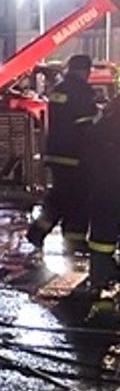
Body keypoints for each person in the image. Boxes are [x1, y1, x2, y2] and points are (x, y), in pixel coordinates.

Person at [29, 54, 101, 249]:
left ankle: (39, 231)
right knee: (77, 198)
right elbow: (86, 124)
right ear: (86, 71)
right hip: (75, 154)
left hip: (56, 152)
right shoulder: (83, 91)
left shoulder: (58, 90)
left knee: (62, 195)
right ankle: (71, 239)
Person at [84, 99, 120, 298]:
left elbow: (89, 146)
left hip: (103, 186)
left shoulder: (104, 123)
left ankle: (99, 274)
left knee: (102, 231)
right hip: (110, 184)